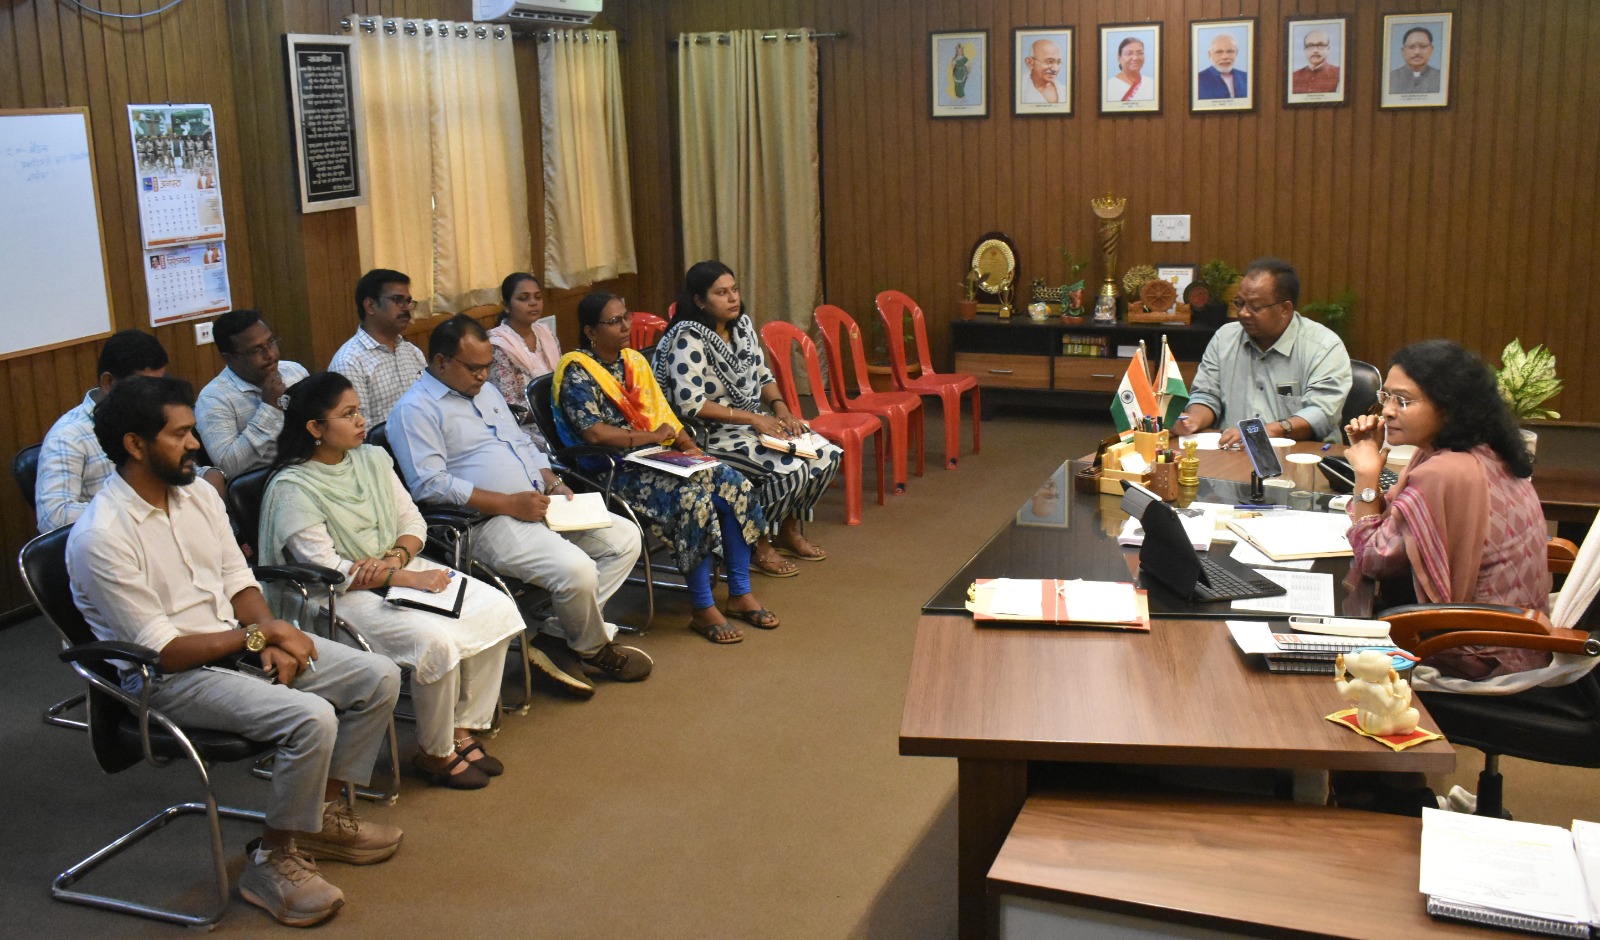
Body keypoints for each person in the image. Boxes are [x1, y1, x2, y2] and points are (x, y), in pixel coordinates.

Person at [66, 375, 402, 928]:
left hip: (235, 642)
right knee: (311, 718)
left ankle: (315, 819)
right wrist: (262, 637)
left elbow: (236, 579)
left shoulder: (198, 493)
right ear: (135, 444)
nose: (195, 444)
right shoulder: (102, 535)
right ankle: (272, 860)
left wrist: (270, 630)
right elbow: (164, 651)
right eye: (180, 434)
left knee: (378, 676)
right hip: (168, 680)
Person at [260, 372, 524, 789]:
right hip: (334, 597)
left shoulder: (371, 459)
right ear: (315, 428)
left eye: (359, 411)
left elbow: (413, 521)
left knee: (497, 609)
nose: (361, 421)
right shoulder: (293, 487)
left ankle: (462, 728)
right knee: (435, 642)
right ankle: (435, 752)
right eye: (348, 414)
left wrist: (395, 558)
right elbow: (327, 567)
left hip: (394, 567)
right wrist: (404, 576)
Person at [387, 314, 649, 695]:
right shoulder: (415, 410)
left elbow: (522, 443)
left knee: (625, 539)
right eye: (474, 368)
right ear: (441, 362)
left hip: (536, 501)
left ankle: (556, 637)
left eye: (487, 366)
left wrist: (552, 482)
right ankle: (592, 648)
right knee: (577, 572)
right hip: (484, 522)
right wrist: (509, 503)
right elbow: (430, 485)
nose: (483, 376)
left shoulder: (485, 392)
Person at [554, 292, 774, 644]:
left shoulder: (633, 361)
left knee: (734, 483)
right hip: (615, 470)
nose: (625, 326)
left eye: (626, 316)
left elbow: (662, 413)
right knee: (692, 500)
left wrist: (686, 445)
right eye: (614, 321)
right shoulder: (578, 372)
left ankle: (739, 591)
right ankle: (702, 607)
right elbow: (595, 433)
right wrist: (651, 437)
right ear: (590, 331)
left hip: (659, 455)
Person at [1343, 340, 1551, 680]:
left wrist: (1366, 474)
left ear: (1449, 408)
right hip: (1517, 641)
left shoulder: (1445, 471)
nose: (1387, 411)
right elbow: (1392, 523)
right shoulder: (1480, 450)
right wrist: (1371, 470)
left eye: (1403, 401)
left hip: (1476, 655)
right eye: (1386, 397)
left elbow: (1374, 560)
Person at [653, 261, 841, 578]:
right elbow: (690, 404)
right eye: (721, 293)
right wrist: (754, 419)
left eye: (735, 290)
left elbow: (763, 375)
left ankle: (787, 531)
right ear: (699, 300)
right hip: (711, 436)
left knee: (825, 455)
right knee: (791, 470)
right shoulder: (688, 339)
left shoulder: (741, 327)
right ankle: (756, 543)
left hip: (753, 425)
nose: (732, 298)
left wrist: (781, 409)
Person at [36, 329, 223, 532]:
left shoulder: (157, 417)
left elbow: (172, 471)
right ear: (108, 382)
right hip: (115, 537)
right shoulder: (68, 435)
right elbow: (54, 517)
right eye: (145, 387)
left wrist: (209, 475)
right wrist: (136, 505)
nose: (157, 396)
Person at [1172, 257, 1352, 447]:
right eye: (1240, 303)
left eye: (1255, 307)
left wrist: (1264, 431)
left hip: (1301, 455)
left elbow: (1321, 413)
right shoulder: (1224, 338)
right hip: (1232, 453)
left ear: (1285, 309)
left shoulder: (1323, 346)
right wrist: (1193, 420)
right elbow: (1207, 395)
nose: (1243, 313)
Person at [195, 309, 310, 478]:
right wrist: (270, 409)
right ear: (228, 358)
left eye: (271, 342)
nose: (270, 354)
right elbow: (227, 466)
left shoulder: (294, 371)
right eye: (256, 351)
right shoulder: (213, 399)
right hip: (267, 483)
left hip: (313, 469)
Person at [328, 268, 427, 424]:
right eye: (397, 300)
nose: (406, 307)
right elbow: (356, 427)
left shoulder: (412, 352)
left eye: (408, 301)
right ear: (370, 306)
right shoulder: (349, 362)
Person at [487, 271, 561, 447]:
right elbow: (511, 408)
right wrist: (554, 408)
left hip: (558, 416)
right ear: (507, 306)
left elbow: (561, 380)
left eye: (537, 297)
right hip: (525, 428)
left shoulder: (546, 334)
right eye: (523, 298)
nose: (533, 302)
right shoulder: (498, 345)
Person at [1388, 26, 1441, 95]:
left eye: (1423, 46)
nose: (1417, 52)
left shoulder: (1441, 78)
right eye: (1411, 47)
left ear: (1431, 49)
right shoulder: (1390, 78)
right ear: (1403, 51)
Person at [1196, 33, 1248, 99]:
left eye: (1230, 51)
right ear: (1209, 55)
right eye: (1219, 52)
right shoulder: (1197, 80)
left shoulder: (1246, 78)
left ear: (1236, 53)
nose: (1225, 57)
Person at [1292, 29, 1341, 94]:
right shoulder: (1294, 77)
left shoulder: (1339, 74)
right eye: (1310, 46)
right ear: (1305, 50)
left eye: (1321, 45)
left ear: (1328, 49)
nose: (1315, 50)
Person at [1019, 37, 1065, 105]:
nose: (1055, 69)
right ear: (1030, 62)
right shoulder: (1019, 89)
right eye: (1049, 61)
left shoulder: (1064, 91)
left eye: (1058, 62)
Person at [1107, 37, 1153, 102]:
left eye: (1140, 53)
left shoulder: (1151, 84)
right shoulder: (1109, 86)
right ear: (1119, 58)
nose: (1135, 58)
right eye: (1129, 53)